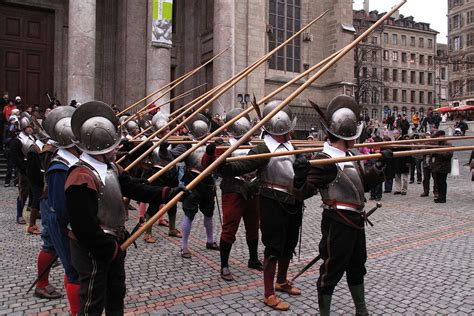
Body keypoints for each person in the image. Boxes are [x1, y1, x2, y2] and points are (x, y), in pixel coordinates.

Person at [65, 101, 184, 314]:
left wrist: (168, 193)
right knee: (92, 300)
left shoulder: (110, 166)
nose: (117, 149)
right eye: (113, 146)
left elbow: (134, 188)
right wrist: (109, 251)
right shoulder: (80, 176)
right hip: (94, 249)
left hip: (114, 242)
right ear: (101, 147)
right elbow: (83, 226)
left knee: (116, 295)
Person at [292, 95, 392, 315]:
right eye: (355, 136)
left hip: (357, 221)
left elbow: (361, 186)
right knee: (331, 270)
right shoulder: (325, 160)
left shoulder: (351, 155)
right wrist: (299, 177)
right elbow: (301, 193)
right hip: (337, 222)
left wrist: (379, 166)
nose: (357, 139)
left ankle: (361, 310)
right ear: (346, 136)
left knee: (357, 266)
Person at [218, 101, 302, 311]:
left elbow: (300, 169)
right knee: (273, 247)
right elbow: (242, 165)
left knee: (289, 243)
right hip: (272, 201)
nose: (291, 133)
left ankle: (281, 281)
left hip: (292, 201)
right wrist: (221, 165)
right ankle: (268, 294)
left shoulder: (292, 145)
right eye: (289, 129)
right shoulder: (263, 148)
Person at [202, 108, 263, 281]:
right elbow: (207, 165)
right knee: (230, 227)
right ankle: (224, 265)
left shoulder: (255, 145)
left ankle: (253, 258)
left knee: (253, 225)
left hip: (253, 189)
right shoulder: (224, 145)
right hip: (233, 189)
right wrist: (210, 152)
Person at [40, 106, 81, 308]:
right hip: (58, 216)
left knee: (72, 266)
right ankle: (42, 283)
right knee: (72, 268)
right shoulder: (59, 164)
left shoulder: (74, 159)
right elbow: (61, 207)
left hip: (65, 216)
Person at [142, 112, 188, 243]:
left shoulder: (173, 141)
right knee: (154, 204)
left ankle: (172, 229)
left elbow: (174, 154)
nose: (167, 131)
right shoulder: (151, 143)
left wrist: (183, 143)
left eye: (168, 128)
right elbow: (149, 157)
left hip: (171, 174)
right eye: (165, 129)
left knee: (172, 203)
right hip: (157, 175)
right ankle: (147, 232)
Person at [180, 113, 219, 258]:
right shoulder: (187, 144)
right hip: (192, 180)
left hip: (207, 181)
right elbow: (174, 156)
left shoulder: (211, 144)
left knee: (209, 212)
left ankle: (210, 240)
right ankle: (183, 246)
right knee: (189, 213)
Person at [9, 115, 36, 225]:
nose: (30, 129)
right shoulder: (17, 141)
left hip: (34, 169)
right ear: (23, 128)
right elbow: (15, 158)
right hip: (24, 171)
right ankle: (19, 215)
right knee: (23, 192)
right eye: (28, 127)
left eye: (31, 127)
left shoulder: (32, 138)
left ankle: (33, 208)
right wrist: (23, 168)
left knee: (34, 191)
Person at [431, 130, 452, 203]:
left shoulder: (448, 144)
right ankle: (440, 196)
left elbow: (448, 155)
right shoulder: (436, 144)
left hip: (444, 166)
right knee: (438, 182)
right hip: (437, 166)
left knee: (442, 182)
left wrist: (437, 152)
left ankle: (443, 198)